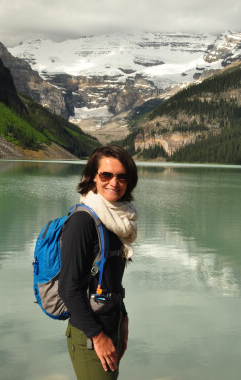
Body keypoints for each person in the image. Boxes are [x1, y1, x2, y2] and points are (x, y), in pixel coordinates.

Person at [58, 145, 139, 379]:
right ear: (93, 177)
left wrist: (122, 321)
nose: (114, 182)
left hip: (110, 326)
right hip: (90, 334)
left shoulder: (116, 219)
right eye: (106, 175)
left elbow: (111, 280)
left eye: (122, 176)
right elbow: (68, 288)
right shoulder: (82, 222)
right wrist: (98, 336)